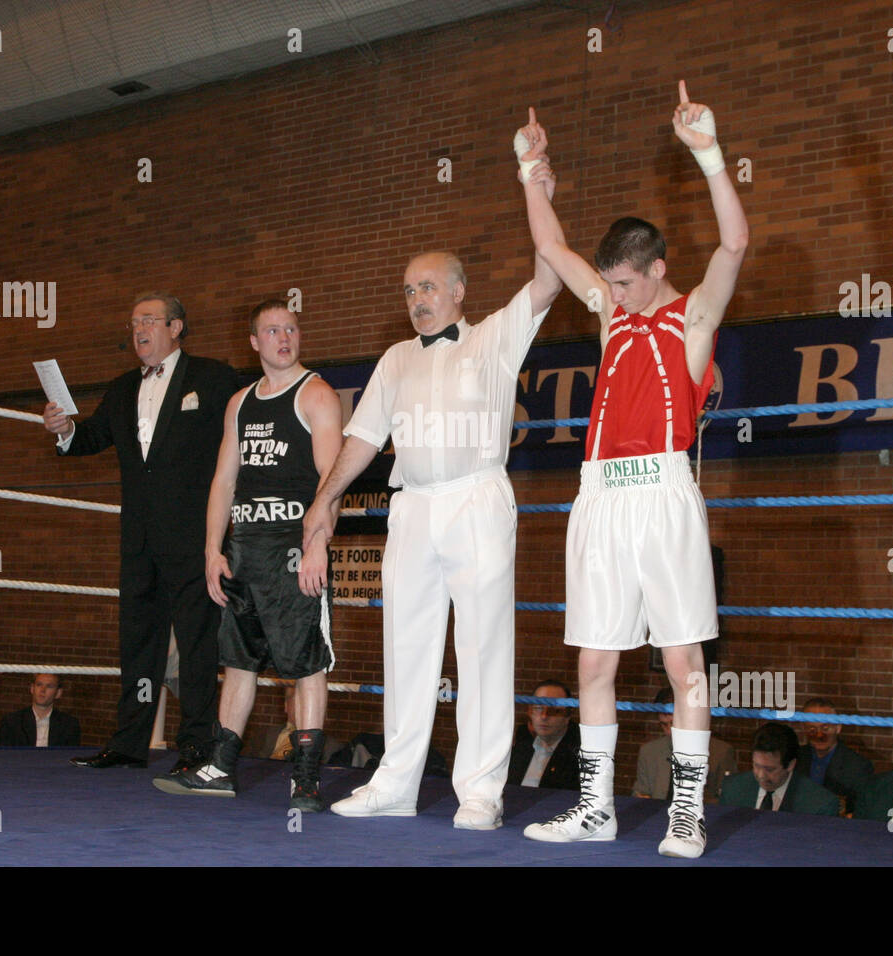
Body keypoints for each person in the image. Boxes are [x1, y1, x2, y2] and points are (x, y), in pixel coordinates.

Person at [516, 82, 749, 858]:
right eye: (607, 284)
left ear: (653, 270)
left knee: (683, 661)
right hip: (600, 497)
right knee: (592, 662)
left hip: (662, 488)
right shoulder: (615, 314)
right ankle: (595, 807)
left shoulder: (693, 318)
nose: (608, 297)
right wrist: (531, 173)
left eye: (621, 283)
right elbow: (554, 249)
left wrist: (709, 155)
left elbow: (734, 248)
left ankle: (686, 813)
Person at [301, 170, 562, 829]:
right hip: (411, 505)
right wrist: (323, 501)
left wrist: (535, 187)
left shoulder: (496, 336)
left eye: (427, 286)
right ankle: (395, 783)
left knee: (482, 647)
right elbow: (360, 441)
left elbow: (551, 276)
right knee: (407, 646)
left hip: (476, 499)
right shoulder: (394, 359)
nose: (417, 297)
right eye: (409, 289)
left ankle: (480, 791)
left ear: (458, 291)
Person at [154, 300, 342, 811]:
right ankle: (220, 767)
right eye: (272, 330)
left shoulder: (318, 396)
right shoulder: (240, 403)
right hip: (245, 551)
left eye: (292, 328)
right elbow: (224, 480)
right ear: (254, 343)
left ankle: (305, 780)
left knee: (305, 666)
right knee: (237, 661)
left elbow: (331, 482)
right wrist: (213, 550)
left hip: (292, 551)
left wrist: (317, 547)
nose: (284, 337)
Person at [44, 293, 237, 774]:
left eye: (148, 320)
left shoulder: (212, 378)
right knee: (138, 643)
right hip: (139, 539)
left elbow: (245, 429)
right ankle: (129, 743)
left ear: (176, 326)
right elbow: (89, 439)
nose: (139, 330)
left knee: (197, 646)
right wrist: (64, 430)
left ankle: (195, 748)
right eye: (133, 323)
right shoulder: (122, 387)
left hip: (196, 536)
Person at [632, 688, 735, 802]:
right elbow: (640, 792)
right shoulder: (649, 752)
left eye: (673, 723)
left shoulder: (720, 752)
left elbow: (726, 801)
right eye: (663, 725)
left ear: (689, 717)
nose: (668, 731)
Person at [718, 722, 839, 815]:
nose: (761, 775)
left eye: (769, 769)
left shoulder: (819, 803)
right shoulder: (732, 789)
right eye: (756, 765)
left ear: (791, 765)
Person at [799, 697, 873, 814]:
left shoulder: (858, 766)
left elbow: (862, 812)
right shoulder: (794, 758)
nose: (819, 735)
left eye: (825, 728)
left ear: (838, 728)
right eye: (812, 729)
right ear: (803, 728)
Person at [507, 680, 581, 790]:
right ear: (530, 712)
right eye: (538, 708)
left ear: (568, 715)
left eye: (554, 710)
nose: (544, 716)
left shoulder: (580, 751)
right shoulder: (521, 742)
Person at [0, 673, 81, 747]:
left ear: (58, 693)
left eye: (49, 686)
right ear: (32, 689)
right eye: (39, 685)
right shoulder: (12, 721)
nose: (42, 690)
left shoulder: (69, 724)